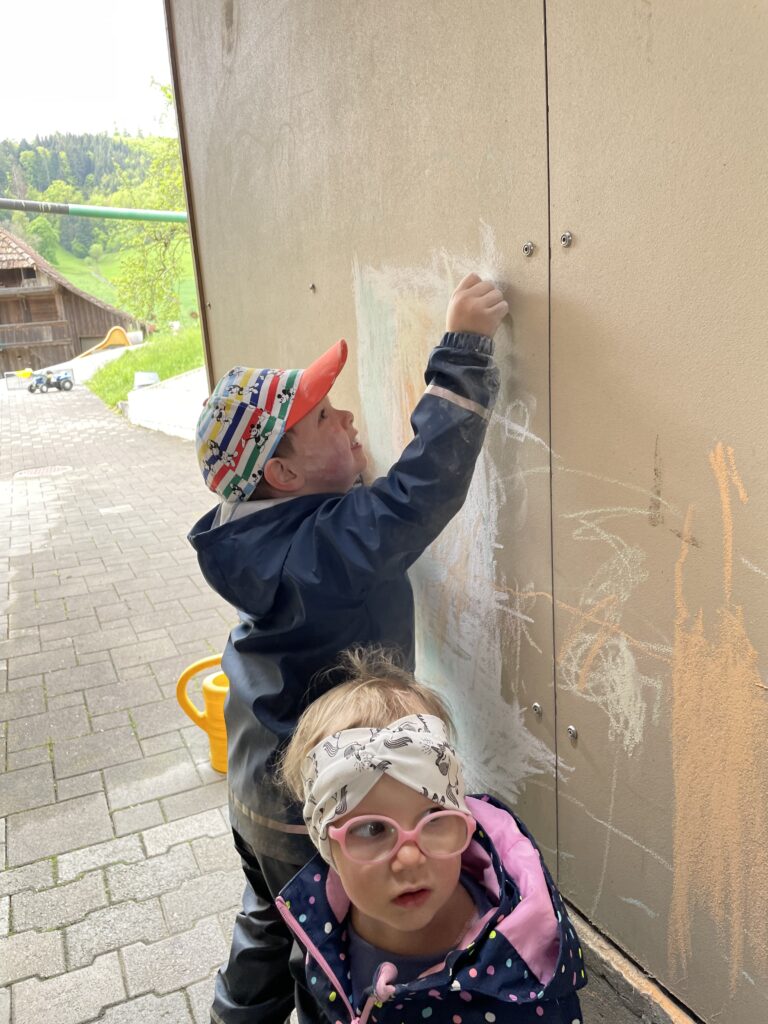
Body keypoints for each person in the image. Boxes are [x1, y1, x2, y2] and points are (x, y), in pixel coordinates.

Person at [189, 273, 508, 1024]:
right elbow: (421, 490)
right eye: (326, 419)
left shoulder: (254, 534)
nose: (348, 418)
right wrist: (463, 348)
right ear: (283, 475)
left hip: (252, 788)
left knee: (269, 919)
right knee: (326, 947)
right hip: (309, 811)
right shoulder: (330, 549)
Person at [276, 647, 587, 1023]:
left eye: (434, 817)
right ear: (327, 846)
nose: (409, 857)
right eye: (372, 829)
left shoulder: (519, 969)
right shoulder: (318, 928)